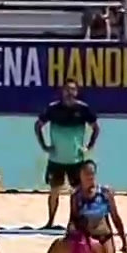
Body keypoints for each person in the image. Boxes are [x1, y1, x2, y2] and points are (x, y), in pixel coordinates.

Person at [36, 80, 98, 228]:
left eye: (72, 90)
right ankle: (50, 222)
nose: (69, 93)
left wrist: (89, 146)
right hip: (56, 159)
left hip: (75, 160)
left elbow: (96, 128)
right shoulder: (53, 108)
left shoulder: (83, 109)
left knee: (77, 193)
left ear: (77, 92)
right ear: (62, 91)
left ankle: (74, 222)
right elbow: (38, 125)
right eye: (67, 89)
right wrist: (44, 145)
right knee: (54, 192)